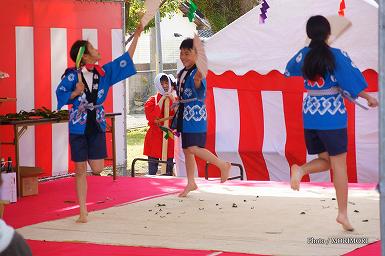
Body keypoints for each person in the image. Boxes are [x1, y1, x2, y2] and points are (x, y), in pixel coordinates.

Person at [285, 15, 378, 231]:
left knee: (325, 161)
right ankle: (343, 214)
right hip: (332, 115)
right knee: (339, 166)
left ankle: (300, 170)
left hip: (310, 114)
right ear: (328, 34)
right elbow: (350, 80)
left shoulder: (303, 56)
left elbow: (289, 69)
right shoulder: (335, 55)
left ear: (309, 34)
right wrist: (368, 97)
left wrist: (307, 50)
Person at [56, 23, 143, 223]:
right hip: (78, 125)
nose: (97, 50)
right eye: (93, 48)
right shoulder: (71, 75)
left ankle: (86, 156)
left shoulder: (103, 73)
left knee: (96, 168)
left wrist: (137, 35)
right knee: (80, 170)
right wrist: (75, 93)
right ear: (85, 57)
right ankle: (83, 211)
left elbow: (126, 60)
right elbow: (60, 95)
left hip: (96, 123)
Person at [175, 38, 231, 197]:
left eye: (187, 53)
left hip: (195, 116)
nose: (183, 56)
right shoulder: (182, 72)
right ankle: (191, 182)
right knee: (187, 150)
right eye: (181, 53)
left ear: (196, 55)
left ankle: (223, 165)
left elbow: (198, 83)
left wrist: (199, 76)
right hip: (184, 114)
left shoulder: (195, 73)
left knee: (193, 148)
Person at [143, 73, 176, 176]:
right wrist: (161, 100)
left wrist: (173, 100)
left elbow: (179, 116)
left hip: (168, 135)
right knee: (152, 168)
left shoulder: (175, 99)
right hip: (154, 136)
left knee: (168, 167)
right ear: (157, 85)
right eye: (162, 83)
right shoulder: (152, 101)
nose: (165, 86)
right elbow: (152, 118)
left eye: (166, 83)